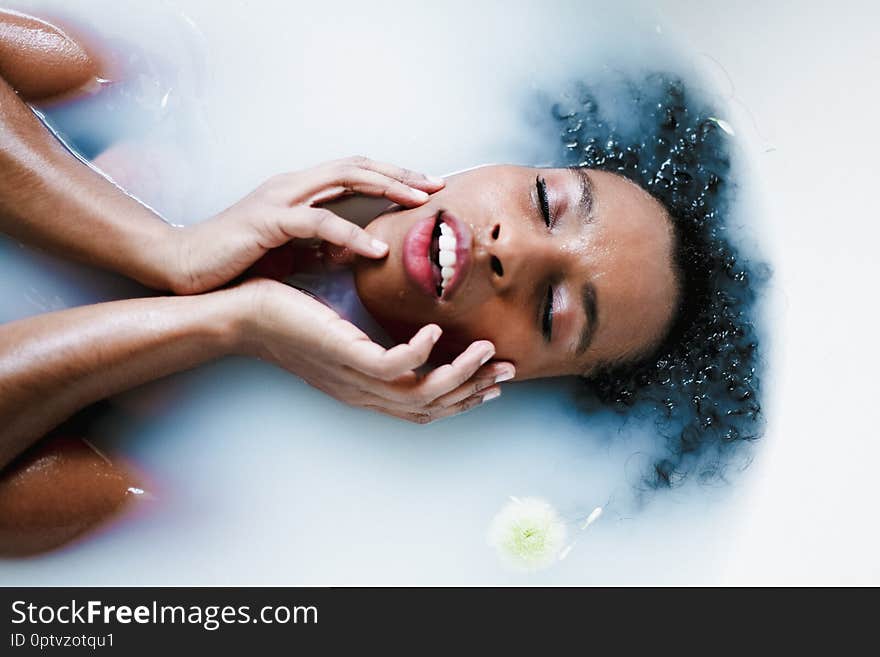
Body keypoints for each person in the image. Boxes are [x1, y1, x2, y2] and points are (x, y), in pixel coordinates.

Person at [0, 9, 764, 554]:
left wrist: (235, 322)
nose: (513, 251)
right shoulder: (155, 100)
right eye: (544, 202)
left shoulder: (202, 482)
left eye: (555, 307)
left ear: (502, 378)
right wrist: (167, 247)